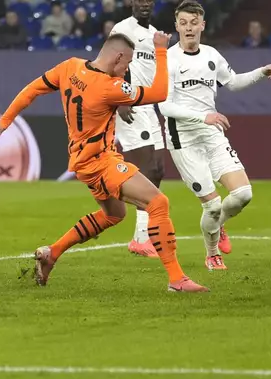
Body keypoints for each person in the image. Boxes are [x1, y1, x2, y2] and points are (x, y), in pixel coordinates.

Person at [0, 32, 208, 292]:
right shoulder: (111, 87)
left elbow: (31, 90)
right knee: (157, 202)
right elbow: (160, 92)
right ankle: (177, 279)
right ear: (118, 57)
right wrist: (161, 49)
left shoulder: (69, 67)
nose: (127, 68)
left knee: (114, 214)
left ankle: (52, 253)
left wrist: (3, 123)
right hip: (101, 161)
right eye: (128, 63)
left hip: (82, 160)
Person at [158, 0, 271, 270]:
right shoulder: (168, 59)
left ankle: (219, 225)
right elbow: (164, 105)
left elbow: (233, 82)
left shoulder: (212, 55)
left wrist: (261, 72)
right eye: (184, 23)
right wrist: (204, 116)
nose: (189, 28)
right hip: (184, 140)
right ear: (177, 26)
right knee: (212, 205)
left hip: (212, 134)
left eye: (194, 23)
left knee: (243, 195)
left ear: (202, 25)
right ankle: (212, 253)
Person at [110, 0, 165, 258]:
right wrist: (119, 98)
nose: (144, 3)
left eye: (148, 0)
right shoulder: (123, 28)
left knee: (158, 170)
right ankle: (142, 239)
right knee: (147, 169)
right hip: (129, 102)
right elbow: (110, 63)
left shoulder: (154, 35)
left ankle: (142, 237)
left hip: (150, 107)